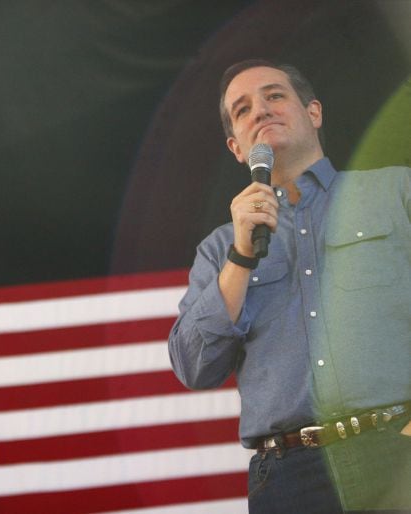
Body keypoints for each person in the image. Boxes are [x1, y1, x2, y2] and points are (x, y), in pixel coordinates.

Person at [168, 58, 411, 513]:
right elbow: (194, 366)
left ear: (313, 113)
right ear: (236, 148)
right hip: (287, 478)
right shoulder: (219, 250)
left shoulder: (397, 193)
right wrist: (241, 256)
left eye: (274, 95)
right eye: (242, 110)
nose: (259, 110)